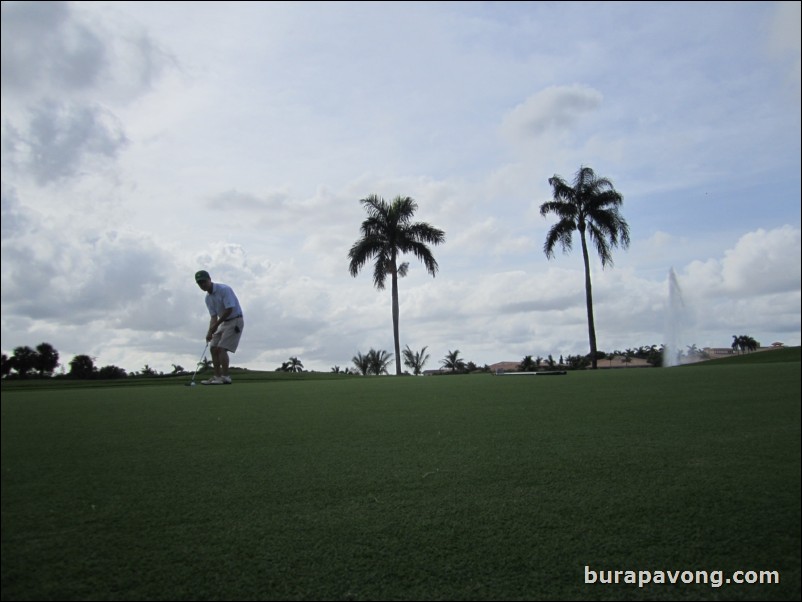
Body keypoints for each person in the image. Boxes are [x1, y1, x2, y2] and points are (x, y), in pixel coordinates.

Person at [194, 270, 244, 385]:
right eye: (199, 283)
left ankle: (226, 377)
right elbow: (213, 317)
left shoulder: (224, 290)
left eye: (204, 282)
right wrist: (209, 331)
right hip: (224, 322)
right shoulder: (208, 298)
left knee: (221, 348)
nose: (202, 285)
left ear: (210, 279)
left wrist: (215, 326)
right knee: (213, 347)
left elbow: (229, 310)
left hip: (235, 320)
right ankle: (217, 376)